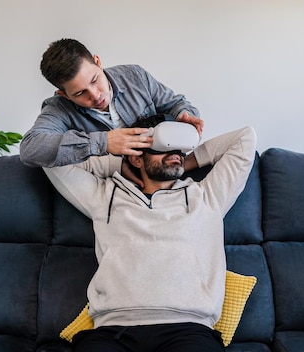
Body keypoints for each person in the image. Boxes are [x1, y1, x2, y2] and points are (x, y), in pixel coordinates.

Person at [43, 114, 257, 352]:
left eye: (178, 147)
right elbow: (49, 158)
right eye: (162, 146)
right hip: (114, 330)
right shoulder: (105, 197)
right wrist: (117, 160)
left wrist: (183, 161)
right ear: (137, 158)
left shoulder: (207, 196)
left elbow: (245, 137)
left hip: (188, 329)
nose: (174, 152)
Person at [19, 38, 204, 172]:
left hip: (163, 169)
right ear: (64, 95)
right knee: (51, 168)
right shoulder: (58, 108)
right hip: (111, 185)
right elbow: (30, 149)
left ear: (98, 62)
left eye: (94, 80)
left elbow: (175, 104)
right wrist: (103, 142)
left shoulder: (135, 75)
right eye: (80, 93)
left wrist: (183, 115)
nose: (95, 95)